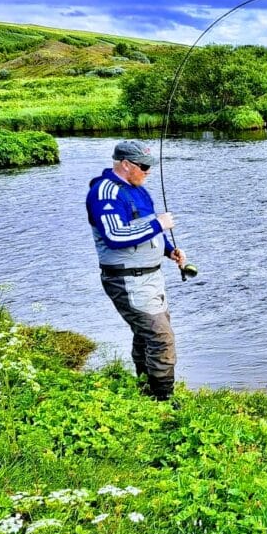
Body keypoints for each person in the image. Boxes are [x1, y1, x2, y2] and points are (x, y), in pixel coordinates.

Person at [85, 140, 188, 401]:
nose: (148, 172)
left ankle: (145, 389)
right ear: (125, 164)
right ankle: (163, 399)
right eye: (143, 167)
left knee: (146, 336)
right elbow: (115, 235)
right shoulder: (104, 193)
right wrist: (159, 225)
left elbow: (146, 227)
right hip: (127, 279)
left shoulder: (139, 190)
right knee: (161, 338)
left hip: (150, 276)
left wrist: (168, 250)